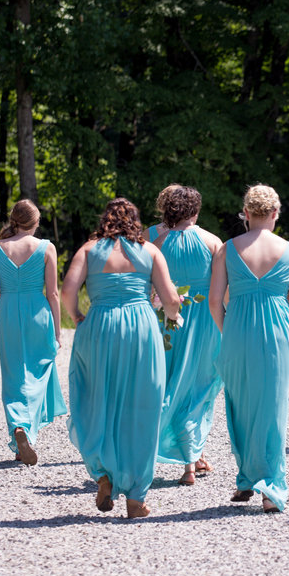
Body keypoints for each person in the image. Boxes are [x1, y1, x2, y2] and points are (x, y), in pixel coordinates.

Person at [63, 198, 180, 519]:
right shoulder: (149, 251)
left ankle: (103, 474)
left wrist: (77, 316)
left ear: (105, 221)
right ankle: (136, 498)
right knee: (142, 407)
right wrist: (172, 314)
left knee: (95, 399)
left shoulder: (89, 249)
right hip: (140, 329)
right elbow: (170, 299)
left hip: (98, 327)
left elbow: (67, 293)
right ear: (135, 222)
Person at [209, 185, 289, 513]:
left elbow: (214, 302)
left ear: (246, 213)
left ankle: (246, 479)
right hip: (277, 334)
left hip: (237, 330)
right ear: (274, 213)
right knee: (272, 408)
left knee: (240, 405)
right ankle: (270, 487)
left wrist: (230, 331)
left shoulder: (227, 249)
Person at [146, 185, 224, 485]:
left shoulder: (157, 242)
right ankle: (191, 459)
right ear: (195, 210)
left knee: (170, 384)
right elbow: (221, 292)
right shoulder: (212, 241)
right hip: (204, 320)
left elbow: (149, 286)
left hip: (168, 320)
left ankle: (183, 453)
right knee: (200, 387)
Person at [0, 199, 66, 465]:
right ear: (35, 221)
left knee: (13, 374)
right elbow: (52, 293)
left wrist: (2, 306)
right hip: (38, 313)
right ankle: (26, 430)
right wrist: (58, 330)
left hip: (8, 311)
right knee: (39, 371)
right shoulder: (45, 247)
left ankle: (19, 426)